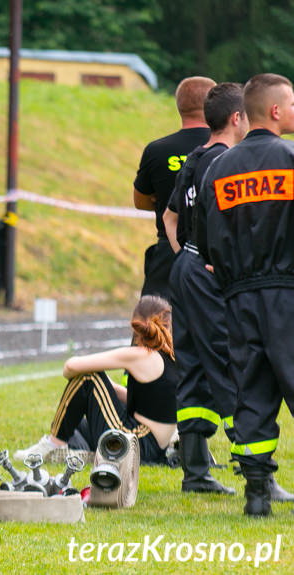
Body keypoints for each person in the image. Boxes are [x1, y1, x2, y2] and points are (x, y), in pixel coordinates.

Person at [195, 73, 294, 517]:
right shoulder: (291, 159)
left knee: (251, 392)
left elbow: (207, 243)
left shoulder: (218, 168)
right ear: (275, 111)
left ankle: (257, 495)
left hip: (237, 298)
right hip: (287, 293)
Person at [163, 83, 246, 496]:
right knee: (231, 362)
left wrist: (187, 255)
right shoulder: (230, 163)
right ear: (237, 118)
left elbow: (169, 214)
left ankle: (196, 473)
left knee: (193, 367)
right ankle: (255, 470)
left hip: (185, 268)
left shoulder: (195, 158)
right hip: (207, 273)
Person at [15, 296, 177, 466]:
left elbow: (70, 366)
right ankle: (80, 452)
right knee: (72, 422)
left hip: (138, 444)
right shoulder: (171, 356)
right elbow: (146, 402)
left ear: (136, 324)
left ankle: (52, 446)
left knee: (88, 378)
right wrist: (106, 386)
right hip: (150, 446)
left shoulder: (142, 355)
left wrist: (94, 375)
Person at [133, 76, 215, 301]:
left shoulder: (157, 150)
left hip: (168, 251)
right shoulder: (225, 151)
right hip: (212, 256)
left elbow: (140, 202)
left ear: (179, 106)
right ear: (214, 106)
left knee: (155, 328)